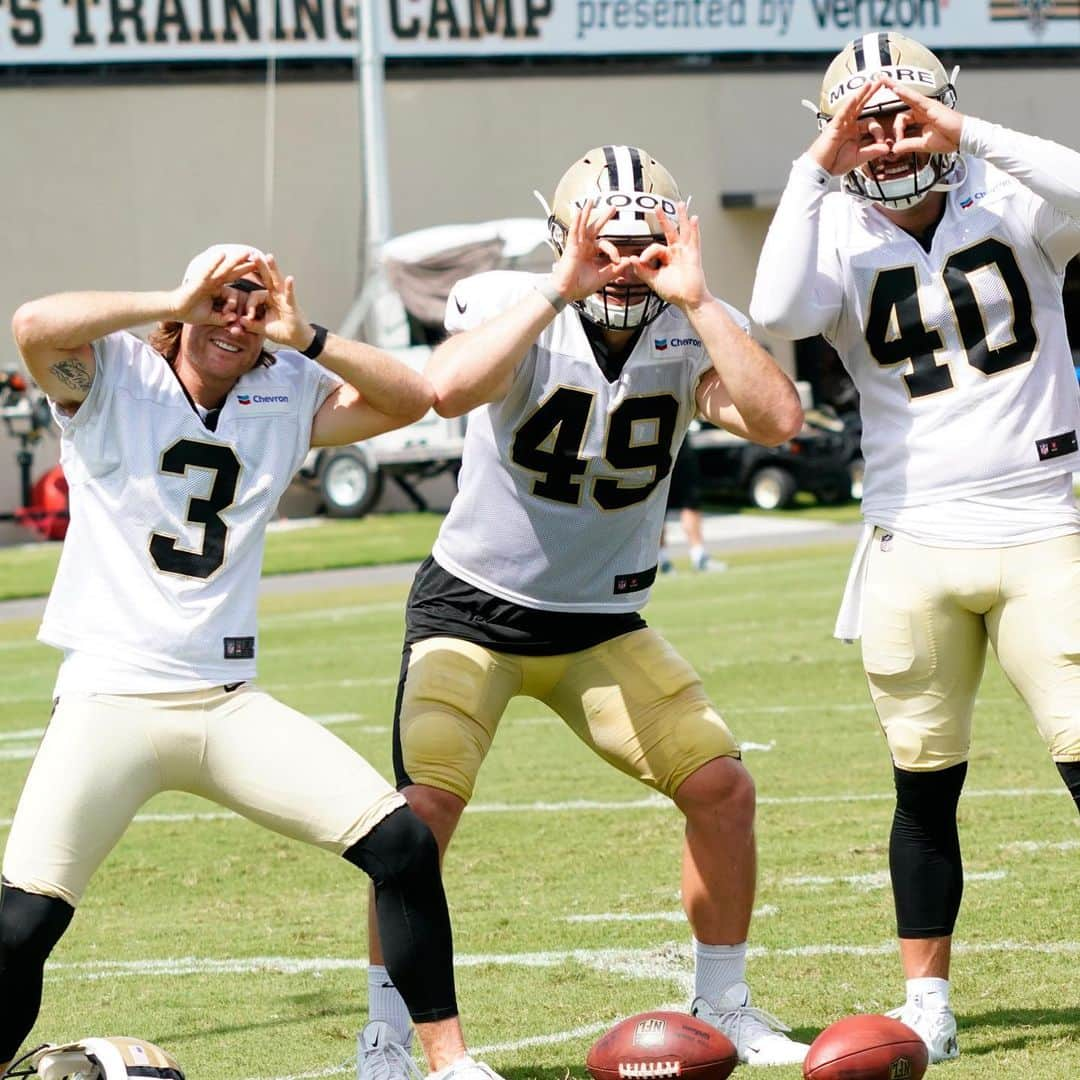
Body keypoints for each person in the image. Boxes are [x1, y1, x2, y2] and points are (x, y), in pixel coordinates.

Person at [357, 145, 808, 1075]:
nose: (625, 265)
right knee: (417, 820)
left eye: (645, 246)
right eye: (606, 245)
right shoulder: (507, 300)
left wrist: (697, 299)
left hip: (602, 624)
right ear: (565, 240)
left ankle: (726, 1002)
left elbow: (775, 421)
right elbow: (449, 389)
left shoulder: (693, 325)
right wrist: (560, 289)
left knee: (722, 790)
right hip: (471, 613)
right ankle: (388, 1036)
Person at [1, 245, 503, 1080]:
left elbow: (417, 399)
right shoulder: (115, 375)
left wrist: (309, 337)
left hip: (225, 703)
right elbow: (32, 325)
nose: (236, 317)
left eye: (254, 303)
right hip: (109, 698)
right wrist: (173, 295)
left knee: (403, 845)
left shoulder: (286, 384)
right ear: (186, 308)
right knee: (20, 925)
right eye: (221, 300)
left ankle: (451, 1066)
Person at [750, 31, 1080, 1063]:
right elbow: (773, 310)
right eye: (865, 127)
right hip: (914, 538)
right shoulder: (835, 228)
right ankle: (927, 1001)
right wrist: (817, 166)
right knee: (923, 784)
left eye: (901, 119)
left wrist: (962, 129)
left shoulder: (1010, 192)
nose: (888, 144)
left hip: (1046, 521)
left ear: (941, 109)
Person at [658, 434, 723, 573]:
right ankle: (661, 559)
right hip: (655, 446)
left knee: (691, 501)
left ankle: (699, 556)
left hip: (680, 443)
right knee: (658, 506)